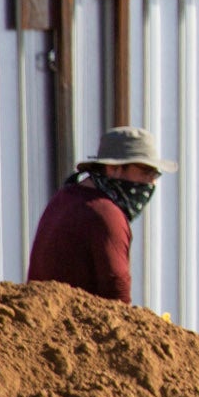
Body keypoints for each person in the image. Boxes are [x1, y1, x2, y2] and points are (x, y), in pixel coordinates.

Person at [27, 125, 172, 302]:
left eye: (155, 174)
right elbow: (117, 291)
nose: (152, 183)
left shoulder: (63, 198)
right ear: (113, 168)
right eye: (146, 172)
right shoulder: (106, 214)